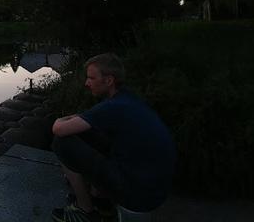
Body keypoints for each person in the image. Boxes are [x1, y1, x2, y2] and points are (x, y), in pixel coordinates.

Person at [51, 53, 175, 222]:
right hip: (152, 190)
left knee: (62, 143)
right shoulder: (127, 99)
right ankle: (101, 201)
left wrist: (61, 119)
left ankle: (84, 210)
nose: (87, 83)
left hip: (137, 195)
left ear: (108, 80)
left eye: (91, 78)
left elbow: (58, 129)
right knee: (90, 134)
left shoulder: (113, 107)